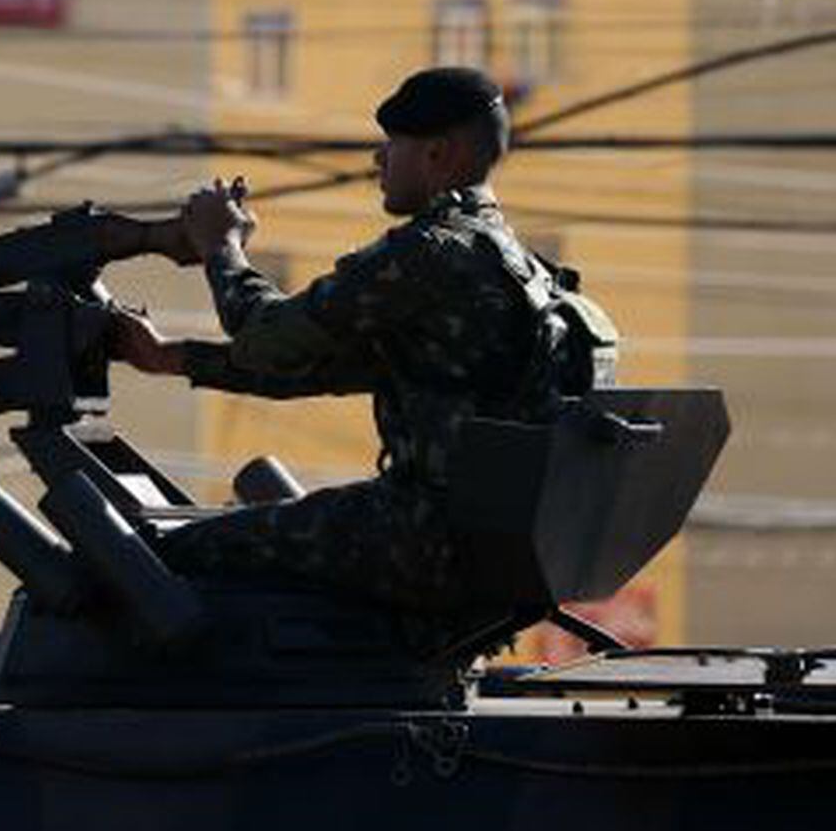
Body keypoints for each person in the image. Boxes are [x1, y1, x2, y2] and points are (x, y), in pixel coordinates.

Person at [111, 66, 615, 617]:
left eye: (392, 144)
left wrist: (221, 247)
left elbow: (267, 338)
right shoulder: (512, 262)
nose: (379, 160)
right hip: (470, 542)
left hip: (420, 537)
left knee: (163, 553)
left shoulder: (429, 253)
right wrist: (174, 358)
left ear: (437, 154)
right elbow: (326, 368)